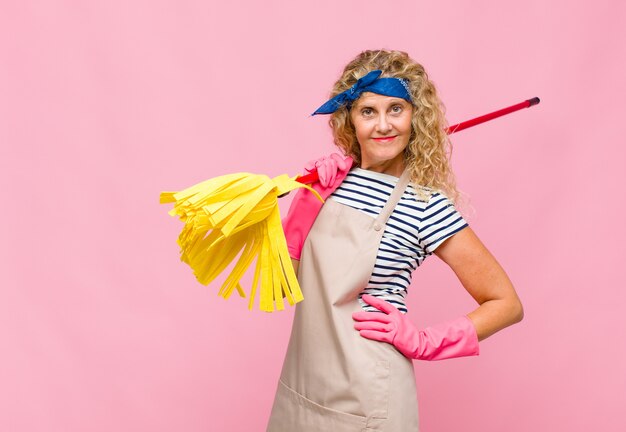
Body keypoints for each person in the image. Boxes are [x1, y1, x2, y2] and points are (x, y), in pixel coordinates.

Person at [266, 49, 524, 432]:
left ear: (415, 117)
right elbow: (278, 287)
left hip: (371, 392)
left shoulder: (425, 206)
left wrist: (423, 341)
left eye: (396, 109)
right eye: (368, 111)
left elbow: (506, 303)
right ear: (349, 119)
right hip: (303, 386)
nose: (383, 125)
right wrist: (306, 200)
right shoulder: (330, 182)